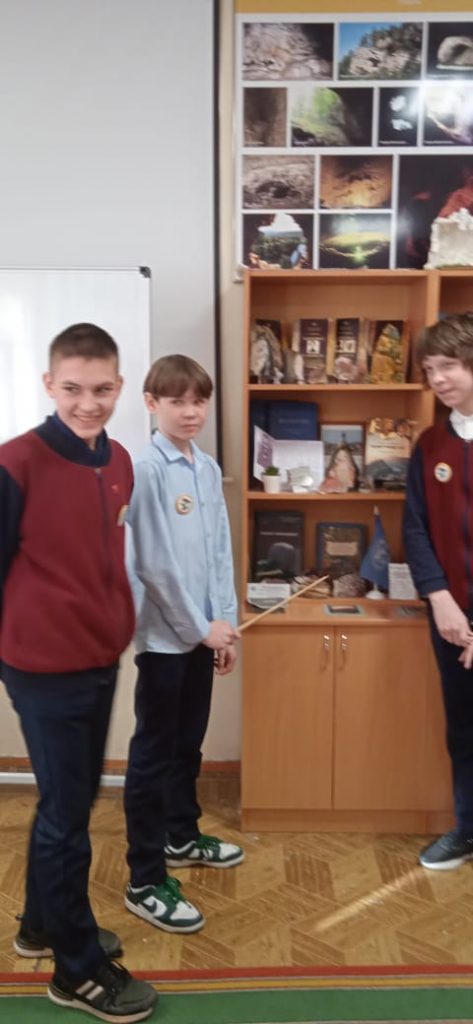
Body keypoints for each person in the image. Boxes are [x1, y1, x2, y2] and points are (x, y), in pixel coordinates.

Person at [0, 323, 157, 1021]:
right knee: (67, 818)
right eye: (72, 389)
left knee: (71, 802)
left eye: (101, 389)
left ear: (119, 387)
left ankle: (42, 925)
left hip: (98, 660)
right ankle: (77, 969)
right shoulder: (15, 463)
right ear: (48, 385)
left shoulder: (118, 458)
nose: (87, 404)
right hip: (43, 669)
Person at [124, 354, 243, 934]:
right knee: (153, 755)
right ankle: (144, 878)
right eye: (177, 401)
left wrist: (225, 623)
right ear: (152, 404)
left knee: (187, 746)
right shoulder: (146, 469)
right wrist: (199, 628)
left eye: (199, 400)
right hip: (164, 640)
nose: (190, 411)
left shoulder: (206, 466)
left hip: (203, 634)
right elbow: (154, 566)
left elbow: (219, 550)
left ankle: (181, 835)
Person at [404, 312, 473, 871]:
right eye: (430, 369)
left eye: (448, 366)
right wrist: (441, 598)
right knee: (463, 730)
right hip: (450, 617)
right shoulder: (429, 445)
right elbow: (416, 529)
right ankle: (467, 829)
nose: (438, 379)